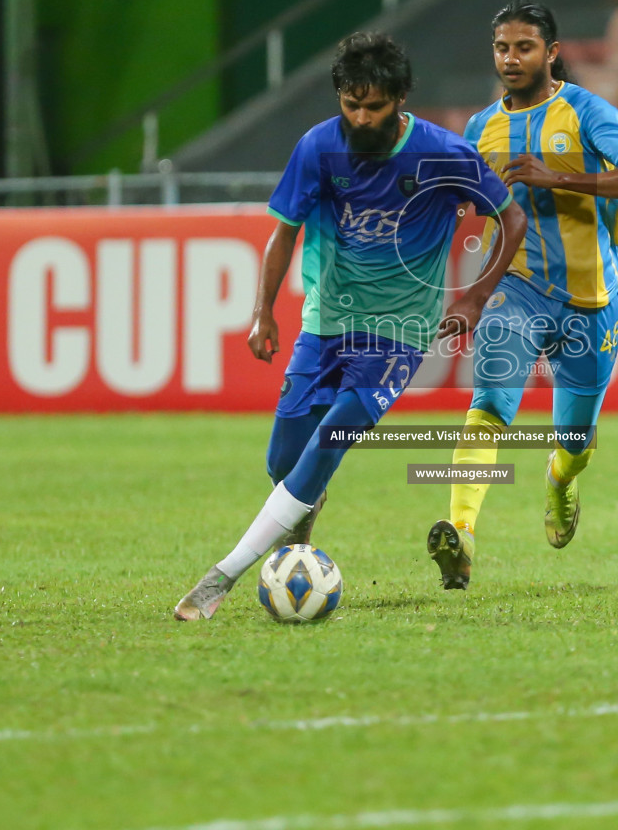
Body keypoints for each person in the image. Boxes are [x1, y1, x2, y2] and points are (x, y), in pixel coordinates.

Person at [175, 31, 526, 621]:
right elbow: (284, 231)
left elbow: (509, 217)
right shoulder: (317, 148)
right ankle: (302, 507)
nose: (361, 118)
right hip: (326, 323)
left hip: (399, 332)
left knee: (331, 440)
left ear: (401, 99)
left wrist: (475, 296)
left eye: (374, 106)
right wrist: (263, 311)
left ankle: (221, 577)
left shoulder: (441, 154)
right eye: (350, 105)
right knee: (284, 462)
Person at [427, 0, 618, 590]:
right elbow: (467, 204)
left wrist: (559, 178)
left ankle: (561, 476)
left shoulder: (586, 112)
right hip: (517, 289)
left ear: (551, 53)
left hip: (591, 297)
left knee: (575, 441)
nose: (511, 58)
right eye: (502, 48)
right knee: (490, 403)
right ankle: (463, 537)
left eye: (524, 47)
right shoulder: (481, 129)